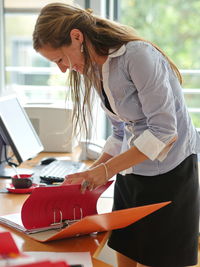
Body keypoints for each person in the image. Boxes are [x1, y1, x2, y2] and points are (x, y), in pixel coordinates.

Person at [33, 3, 200, 267]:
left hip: (171, 173)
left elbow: (164, 133)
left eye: (60, 60)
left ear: (77, 37)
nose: (63, 70)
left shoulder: (137, 56)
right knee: (127, 251)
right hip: (130, 170)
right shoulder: (95, 68)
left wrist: (105, 171)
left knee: (164, 258)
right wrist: (90, 173)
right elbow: (121, 131)